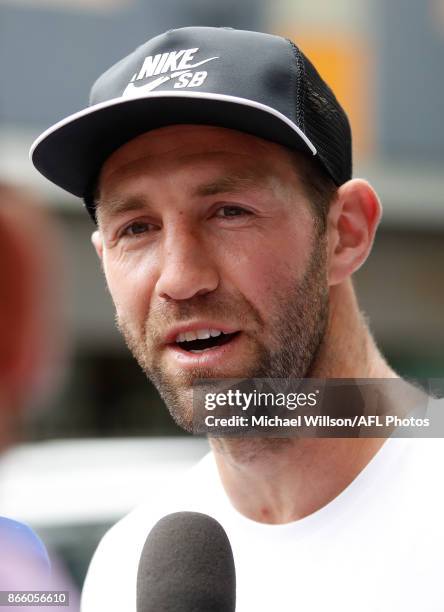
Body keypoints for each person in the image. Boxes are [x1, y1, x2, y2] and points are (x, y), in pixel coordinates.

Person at [31, 27, 443, 611]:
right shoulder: (127, 566)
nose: (178, 277)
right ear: (104, 258)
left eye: (229, 211)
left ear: (346, 231)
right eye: (137, 229)